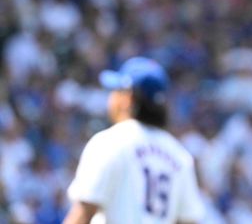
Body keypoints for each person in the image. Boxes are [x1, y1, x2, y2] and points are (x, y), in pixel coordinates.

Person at [63, 57, 204, 224]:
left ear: (127, 98)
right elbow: (188, 221)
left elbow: (83, 214)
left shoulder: (110, 142)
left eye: (115, 90)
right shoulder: (180, 156)